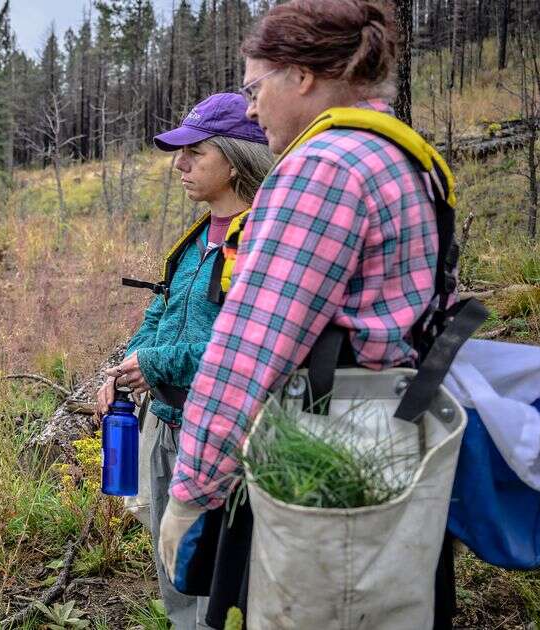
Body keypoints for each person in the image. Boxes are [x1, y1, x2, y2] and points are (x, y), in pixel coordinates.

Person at [157, 1, 462, 627]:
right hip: (400, 442)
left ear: (300, 76)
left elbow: (250, 351)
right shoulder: (407, 159)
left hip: (325, 465)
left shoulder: (321, 168)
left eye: (254, 86)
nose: (249, 108)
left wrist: (191, 491)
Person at [96, 93, 273, 630]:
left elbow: (241, 347)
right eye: (181, 152)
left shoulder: (262, 238)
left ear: (236, 155)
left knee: (220, 574)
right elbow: (163, 307)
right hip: (166, 423)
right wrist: (129, 363)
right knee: (171, 559)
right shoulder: (195, 239)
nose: (180, 164)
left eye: (195, 152)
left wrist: (155, 362)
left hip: (224, 435)